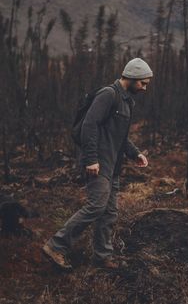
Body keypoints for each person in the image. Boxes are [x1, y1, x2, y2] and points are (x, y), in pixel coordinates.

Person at [42, 58, 153, 270]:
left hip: (113, 166)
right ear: (131, 77)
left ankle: (102, 257)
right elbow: (89, 125)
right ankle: (56, 245)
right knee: (97, 206)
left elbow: (120, 136)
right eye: (143, 83)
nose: (144, 88)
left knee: (109, 212)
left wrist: (135, 153)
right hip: (98, 164)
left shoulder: (127, 101)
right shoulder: (108, 95)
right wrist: (91, 159)